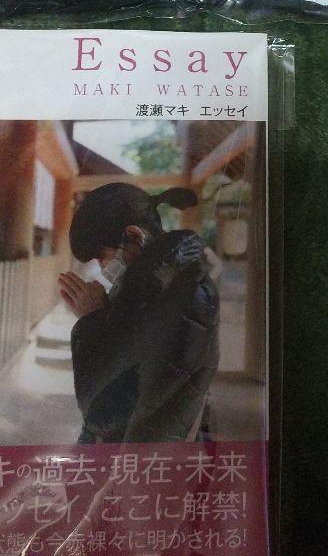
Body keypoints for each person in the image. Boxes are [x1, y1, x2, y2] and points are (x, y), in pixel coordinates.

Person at [58, 182, 219, 444]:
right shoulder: (159, 284)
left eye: (102, 258)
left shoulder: (174, 295)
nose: (102, 268)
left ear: (134, 237)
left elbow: (103, 414)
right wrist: (104, 314)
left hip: (142, 462)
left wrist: (92, 321)